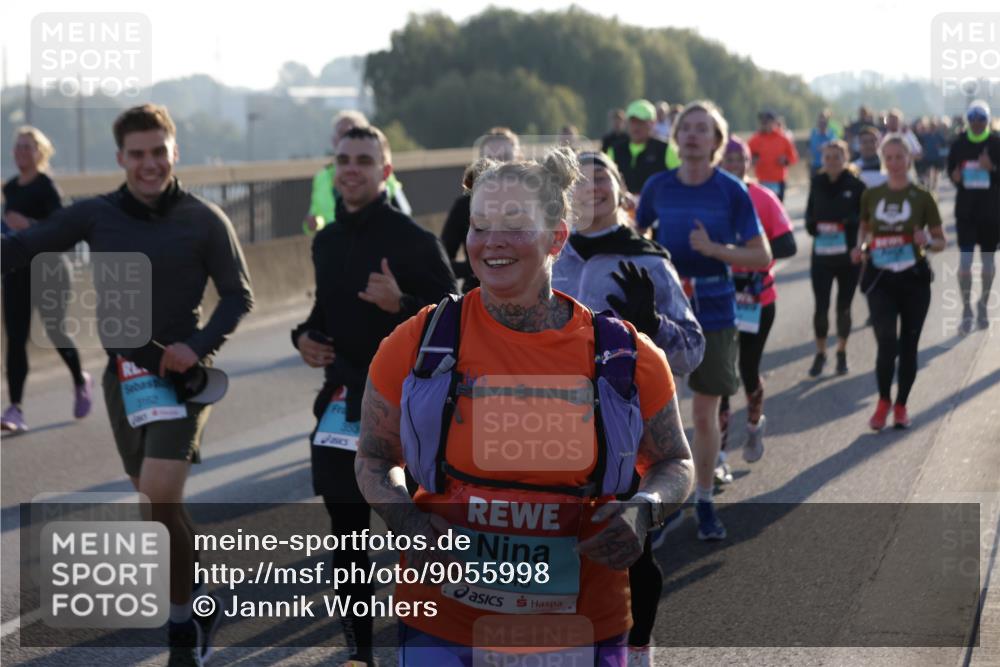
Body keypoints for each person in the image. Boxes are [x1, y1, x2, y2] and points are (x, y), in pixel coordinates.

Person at [355, 147, 694, 665]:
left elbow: (675, 462)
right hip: (444, 619)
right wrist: (411, 524)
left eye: (514, 225)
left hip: (582, 620)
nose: (492, 242)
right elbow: (376, 459)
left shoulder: (623, 355)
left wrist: (642, 514)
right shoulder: (420, 342)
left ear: (557, 236)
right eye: (480, 225)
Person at [2, 104, 254, 666]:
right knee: (155, 506)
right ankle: (200, 595)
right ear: (121, 158)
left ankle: (182, 627)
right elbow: (23, 247)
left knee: (160, 494)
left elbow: (239, 295)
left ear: (174, 152)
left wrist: (199, 345)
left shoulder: (204, 218)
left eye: (158, 152)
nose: (149, 164)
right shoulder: (96, 215)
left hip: (182, 376)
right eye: (137, 154)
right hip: (125, 377)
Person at [291, 125, 456, 667]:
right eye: (343, 159)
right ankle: (360, 651)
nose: (352, 168)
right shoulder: (327, 241)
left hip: (407, 410)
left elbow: (455, 321)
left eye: (364, 159)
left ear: (386, 171)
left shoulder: (412, 239)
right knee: (347, 535)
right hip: (341, 401)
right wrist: (304, 338)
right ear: (334, 168)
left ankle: (431, 643)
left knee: (415, 533)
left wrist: (401, 303)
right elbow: (324, 313)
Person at [554, 151, 704, 665]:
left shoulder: (649, 259)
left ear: (621, 194)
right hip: (551, 421)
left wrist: (654, 323)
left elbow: (692, 349)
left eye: (602, 182)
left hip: (628, 426)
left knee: (633, 549)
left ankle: (638, 649)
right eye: (581, 184)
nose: (590, 191)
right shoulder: (548, 255)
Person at [637, 101, 772, 540]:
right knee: (659, 410)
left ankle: (705, 500)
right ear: (676, 138)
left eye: (703, 130)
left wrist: (716, 250)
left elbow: (762, 255)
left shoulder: (731, 190)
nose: (693, 135)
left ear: (716, 141)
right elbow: (635, 238)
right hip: (664, 310)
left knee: (704, 411)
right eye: (686, 129)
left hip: (715, 307)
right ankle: (664, 501)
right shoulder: (658, 187)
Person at [1, 126, 91, 433]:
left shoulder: (46, 187)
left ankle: (80, 380)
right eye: (18, 146)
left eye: (28, 147)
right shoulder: (10, 187)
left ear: (40, 153)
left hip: (49, 270)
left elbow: (63, 232)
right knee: (16, 339)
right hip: (16, 272)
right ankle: (15, 409)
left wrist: (27, 224)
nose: (21, 151)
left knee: (55, 330)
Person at [853, 134, 946, 431]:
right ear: (883, 160)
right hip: (881, 277)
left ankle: (901, 405)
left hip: (913, 279)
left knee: (909, 345)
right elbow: (864, 228)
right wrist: (860, 247)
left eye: (899, 157)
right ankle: (883, 401)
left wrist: (928, 240)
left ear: (909, 159)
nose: (894, 163)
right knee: (886, 342)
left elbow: (941, 241)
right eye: (889, 157)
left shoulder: (922, 196)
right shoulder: (872, 194)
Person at [717, 136, 796, 467]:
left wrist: (747, 257)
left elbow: (788, 245)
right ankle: (718, 452)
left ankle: (753, 424)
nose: (734, 165)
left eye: (740, 160)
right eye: (728, 160)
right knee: (720, 374)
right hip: (717, 298)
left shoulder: (763, 197)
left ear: (748, 163)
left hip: (757, 298)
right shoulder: (709, 197)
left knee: (747, 369)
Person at [805, 139, 866, 376]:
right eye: (827, 157)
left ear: (846, 159)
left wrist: (849, 224)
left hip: (847, 256)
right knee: (821, 308)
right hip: (821, 256)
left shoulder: (857, 185)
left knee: (843, 308)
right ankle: (820, 353)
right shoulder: (816, 182)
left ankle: (841, 351)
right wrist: (812, 226)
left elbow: (864, 217)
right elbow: (810, 212)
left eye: (837, 157)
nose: (831, 162)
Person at [304, 110, 411, 235]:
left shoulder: (382, 174)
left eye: (364, 161)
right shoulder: (321, 178)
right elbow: (315, 217)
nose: (351, 170)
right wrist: (313, 224)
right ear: (333, 140)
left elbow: (402, 211)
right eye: (342, 133)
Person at [441, 128, 520, 293]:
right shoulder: (464, 206)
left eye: (505, 158)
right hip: (477, 297)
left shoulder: (533, 205)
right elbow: (440, 261)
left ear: (519, 160)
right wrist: (477, 265)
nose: (498, 165)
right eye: (490, 159)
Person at [946, 100, 1000, 333]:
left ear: (988, 121)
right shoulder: (959, 144)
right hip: (966, 213)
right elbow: (951, 171)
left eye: (981, 119)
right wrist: (955, 177)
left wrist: (992, 169)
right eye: (973, 119)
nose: (977, 123)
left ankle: (983, 304)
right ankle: (967, 308)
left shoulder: (996, 143)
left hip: (991, 213)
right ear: (967, 121)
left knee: (988, 265)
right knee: (965, 265)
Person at [606, 99, 681, 197]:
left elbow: (681, 180)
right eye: (633, 122)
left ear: (653, 123)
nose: (636, 127)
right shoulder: (614, 150)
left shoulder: (666, 149)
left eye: (641, 122)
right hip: (624, 209)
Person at [747, 110, 799, 201]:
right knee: (762, 209)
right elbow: (745, 157)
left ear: (774, 122)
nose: (764, 124)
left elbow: (794, 157)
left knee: (778, 209)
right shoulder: (754, 140)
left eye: (767, 121)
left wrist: (785, 160)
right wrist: (752, 161)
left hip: (778, 181)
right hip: (761, 180)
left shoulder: (782, 138)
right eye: (762, 122)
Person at [808, 110, 838, 178]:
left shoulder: (831, 134)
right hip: (815, 165)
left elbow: (834, 146)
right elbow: (811, 148)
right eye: (820, 121)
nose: (822, 124)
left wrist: (826, 146)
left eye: (824, 122)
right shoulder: (813, 132)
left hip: (828, 166)